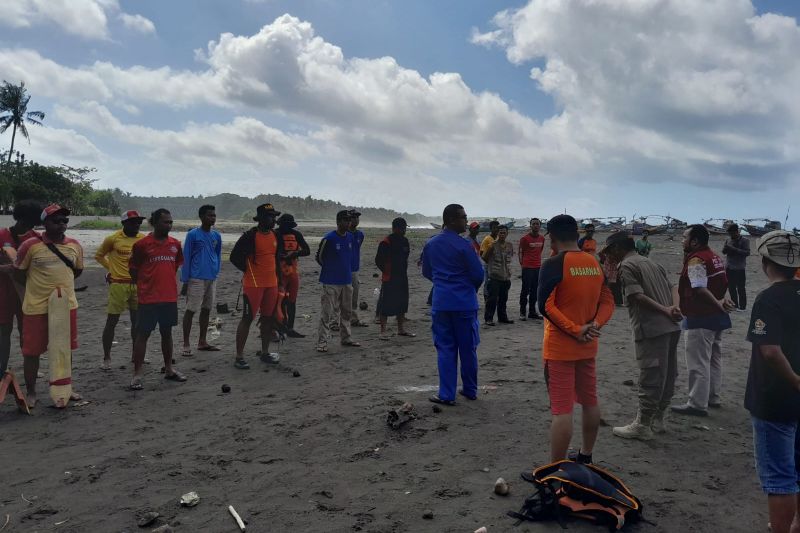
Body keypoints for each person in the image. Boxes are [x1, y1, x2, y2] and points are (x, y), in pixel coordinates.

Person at [537, 215, 615, 462]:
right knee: (590, 401)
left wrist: (575, 329)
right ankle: (586, 455)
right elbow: (607, 301)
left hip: (561, 349)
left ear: (551, 236)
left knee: (562, 411)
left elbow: (545, 306)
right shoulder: (593, 262)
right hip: (588, 345)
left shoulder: (554, 263)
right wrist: (594, 325)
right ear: (576, 234)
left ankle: (555, 470)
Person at [601, 232, 682, 441]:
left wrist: (665, 310)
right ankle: (659, 419)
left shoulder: (627, 266)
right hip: (671, 326)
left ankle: (643, 424)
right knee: (668, 373)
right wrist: (674, 308)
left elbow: (637, 296)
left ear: (618, 248)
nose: (608, 256)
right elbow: (674, 286)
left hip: (651, 327)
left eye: (610, 251)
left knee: (651, 374)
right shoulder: (651, 262)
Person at [744, 231, 800, 533]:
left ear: (766, 262)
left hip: (775, 397)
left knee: (779, 477)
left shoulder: (768, 298)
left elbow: (770, 350)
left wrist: (794, 380)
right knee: (797, 467)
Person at [14, 204, 84, 407]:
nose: (61, 224)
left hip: (67, 305)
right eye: (56, 221)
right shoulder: (29, 245)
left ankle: (65, 388)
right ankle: (32, 392)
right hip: (37, 307)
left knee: (64, 350)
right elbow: (19, 273)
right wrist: (39, 289)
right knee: (32, 352)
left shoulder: (74, 245)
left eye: (64, 221)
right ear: (45, 223)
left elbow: (76, 271)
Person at [422, 204, 484, 406]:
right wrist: (465, 288)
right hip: (464, 303)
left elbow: (427, 272)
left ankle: (447, 394)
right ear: (451, 220)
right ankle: (470, 390)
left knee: (445, 349)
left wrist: (443, 284)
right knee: (468, 349)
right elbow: (478, 275)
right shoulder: (464, 246)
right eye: (463, 217)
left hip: (442, 303)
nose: (466, 221)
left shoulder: (431, 244)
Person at [671, 225, 733, 417]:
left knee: (698, 362)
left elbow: (699, 289)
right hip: (717, 318)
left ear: (695, 241)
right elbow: (723, 284)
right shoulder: (714, 257)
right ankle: (712, 397)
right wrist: (722, 304)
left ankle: (697, 403)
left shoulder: (697, 259)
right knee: (714, 358)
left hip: (701, 316)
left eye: (684, 237)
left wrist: (717, 305)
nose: (682, 241)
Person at [129, 209, 186, 389]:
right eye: (165, 222)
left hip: (169, 297)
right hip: (148, 298)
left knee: (167, 333)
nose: (168, 225)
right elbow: (133, 270)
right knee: (142, 334)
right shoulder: (142, 245)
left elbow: (175, 266)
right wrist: (145, 285)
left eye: (170, 222)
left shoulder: (175, 244)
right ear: (154, 222)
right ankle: (137, 374)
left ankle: (169, 368)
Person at [229, 203, 284, 369]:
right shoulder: (249, 236)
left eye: (274, 216)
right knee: (247, 319)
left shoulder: (275, 235)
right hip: (253, 285)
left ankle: (265, 353)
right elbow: (234, 257)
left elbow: (277, 260)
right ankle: (239, 357)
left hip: (271, 284)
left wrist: (279, 282)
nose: (273, 219)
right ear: (260, 218)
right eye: (270, 216)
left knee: (268, 319)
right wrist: (248, 270)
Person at [95, 210, 145, 370]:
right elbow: (99, 255)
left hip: (137, 284)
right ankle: (106, 357)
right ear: (124, 223)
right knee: (112, 321)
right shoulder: (113, 239)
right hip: (118, 284)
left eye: (138, 222)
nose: (136, 225)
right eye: (132, 222)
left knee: (137, 322)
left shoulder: (143, 239)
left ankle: (135, 354)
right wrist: (111, 269)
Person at [0, 200, 41, 376]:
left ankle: (29, 367)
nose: (27, 225)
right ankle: (1, 369)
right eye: (26, 220)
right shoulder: (2, 235)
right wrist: (4, 269)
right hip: (3, 292)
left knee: (27, 332)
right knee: (3, 331)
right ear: (19, 218)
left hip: (26, 293)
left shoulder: (37, 239)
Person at [315, 210, 361, 352]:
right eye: (346, 220)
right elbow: (319, 257)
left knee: (346, 311)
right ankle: (322, 341)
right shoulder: (329, 238)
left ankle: (346, 337)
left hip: (346, 280)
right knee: (327, 312)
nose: (349, 223)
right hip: (330, 281)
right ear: (338, 221)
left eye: (350, 220)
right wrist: (330, 268)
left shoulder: (350, 238)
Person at [180, 204, 222, 356]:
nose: (212, 218)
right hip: (196, 278)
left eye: (214, 215)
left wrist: (216, 271)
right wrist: (185, 280)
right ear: (202, 217)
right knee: (191, 310)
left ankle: (202, 341)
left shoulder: (216, 236)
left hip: (211, 278)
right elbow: (186, 257)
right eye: (209, 215)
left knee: (206, 309)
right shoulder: (193, 234)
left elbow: (217, 255)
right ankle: (186, 343)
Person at [376, 218, 414, 339]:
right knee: (385, 304)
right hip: (390, 277)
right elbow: (378, 260)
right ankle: (383, 331)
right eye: (402, 228)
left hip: (402, 276)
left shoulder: (405, 241)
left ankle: (401, 329)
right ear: (395, 228)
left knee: (402, 303)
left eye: (405, 228)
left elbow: (405, 256)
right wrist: (386, 270)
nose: (404, 231)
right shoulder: (386, 242)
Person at [276, 213, 311, 338]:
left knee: (291, 301)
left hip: (293, 272)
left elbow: (307, 251)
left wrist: (294, 254)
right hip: (278, 273)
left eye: (289, 226)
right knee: (279, 302)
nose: (287, 228)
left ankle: (290, 328)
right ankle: (278, 328)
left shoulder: (296, 235)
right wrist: (281, 256)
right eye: (285, 225)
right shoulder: (275, 234)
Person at [482, 225, 514, 326]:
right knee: (492, 299)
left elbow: (510, 257)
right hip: (495, 277)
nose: (502, 234)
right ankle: (489, 319)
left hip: (506, 276)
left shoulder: (509, 245)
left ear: (507, 233)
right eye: (500, 232)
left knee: (503, 299)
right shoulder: (492, 245)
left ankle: (502, 318)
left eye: (504, 232)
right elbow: (485, 258)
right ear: (497, 234)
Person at [518, 218, 545, 321]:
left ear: (540, 226)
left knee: (535, 291)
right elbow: (521, 252)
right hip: (527, 268)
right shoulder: (525, 239)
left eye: (537, 224)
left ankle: (532, 312)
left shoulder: (542, 238)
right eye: (533, 224)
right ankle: (522, 312)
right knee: (525, 290)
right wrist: (523, 265)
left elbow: (540, 251)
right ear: (530, 226)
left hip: (537, 267)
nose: (535, 226)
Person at [347, 210, 369, 328]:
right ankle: (336, 321)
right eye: (353, 217)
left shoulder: (360, 234)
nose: (355, 220)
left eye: (357, 217)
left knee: (354, 295)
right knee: (341, 296)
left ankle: (354, 319)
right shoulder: (344, 234)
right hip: (344, 269)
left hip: (355, 269)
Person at [722, 223, 750, 311]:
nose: (731, 235)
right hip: (729, 267)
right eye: (729, 234)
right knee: (731, 288)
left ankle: (742, 307)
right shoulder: (728, 240)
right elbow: (723, 252)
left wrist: (733, 249)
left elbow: (747, 253)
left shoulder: (745, 240)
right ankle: (735, 306)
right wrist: (726, 249)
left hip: (739, 268)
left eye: (732, 233)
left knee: (741, 288)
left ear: (737, 232)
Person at [480, 221, 500, 300]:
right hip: (488, 264)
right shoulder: (487, 239)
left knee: (495, 281)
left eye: (497, 228)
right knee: (488, 281)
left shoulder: (498, 238)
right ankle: (486, 296)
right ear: (490, 229)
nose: (496, 230)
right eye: (494, 228)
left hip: (496, 264)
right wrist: (488, 262)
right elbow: (481, 253)